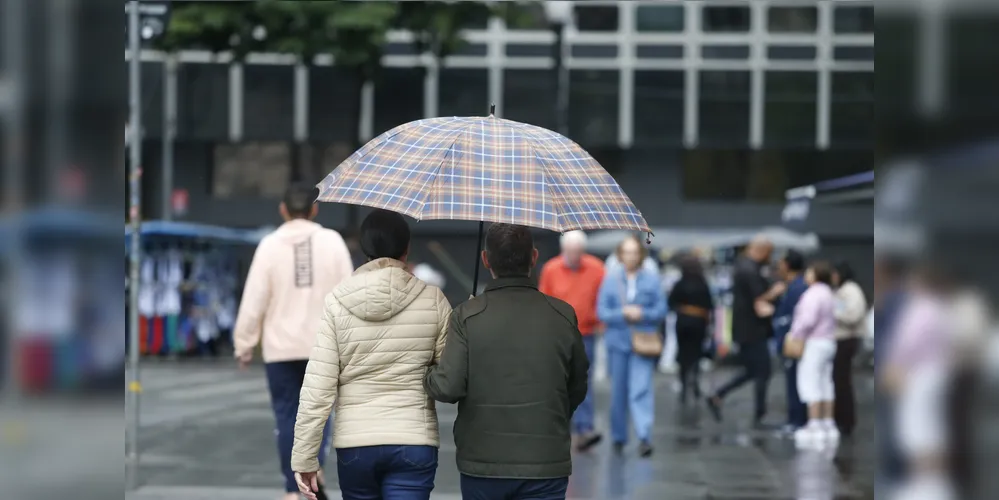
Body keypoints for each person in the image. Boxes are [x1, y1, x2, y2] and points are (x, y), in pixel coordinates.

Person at [290, 209, 452, 500]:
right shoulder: (434, 300)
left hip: (356, 445)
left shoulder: (337, 301)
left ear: (365, 249)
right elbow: (450, 377)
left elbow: (318, 387)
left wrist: (305, 457)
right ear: (407, 248)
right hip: (414, 441)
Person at [424, 223, 588, 500]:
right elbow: (577, 385)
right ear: (534, 257)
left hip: (482, 461)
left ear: (486, 259)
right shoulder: (562, 315)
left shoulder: (467, 315)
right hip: (546, 460)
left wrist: (427, 371)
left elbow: (448, 387)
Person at [232, 183, 354, 500]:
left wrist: (244, 343)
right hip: (324, 346)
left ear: (282, 210)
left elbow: (254, 300)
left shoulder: (269, 246)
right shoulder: (333, 242)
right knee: (320, 414)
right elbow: (350, 296)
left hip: (281, 348)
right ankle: (314, 474)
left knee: (287, 416)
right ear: (315, 210)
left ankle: (291, 489)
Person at [597, 235, 667, 457]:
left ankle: (644, 436)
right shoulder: (611, 280)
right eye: (626, 252)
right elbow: (602, 312)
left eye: (634, 252)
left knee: (641, 388)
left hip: (643, 342)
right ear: (620, 255)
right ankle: (618, 436)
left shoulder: (652, 280)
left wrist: (642, 313)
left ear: (641, 255)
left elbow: (661, 310)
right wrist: (623, 313)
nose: (631, 257)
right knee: (618, 392)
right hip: (618, 342)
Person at [706, 236, 785, 426]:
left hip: (747, 329)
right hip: (752, 330)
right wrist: (775, 292)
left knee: (753, 370)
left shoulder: (744, 267)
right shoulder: (749, 270)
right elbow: (759, 300)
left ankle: (719, 395)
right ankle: (759, 412)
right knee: (762, 371)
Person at [538, 230, 606, 452]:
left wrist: (598, 320)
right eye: (570, 251)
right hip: (558, 334)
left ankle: (584, 429)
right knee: (557, 381)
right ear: (563, 250)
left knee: (582, 382)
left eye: (577, 252)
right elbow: (544, 299)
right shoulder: (551, 269)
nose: (574, 256)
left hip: (585, 333)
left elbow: (602, 299)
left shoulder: (596, 269)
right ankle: (558, 428)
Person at [787, 261, 839, 446]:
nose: (806, 276)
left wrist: (795, 334)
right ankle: (828, 423)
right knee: (826, 382)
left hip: (813, 342)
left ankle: (814, 424)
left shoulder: (812, 294)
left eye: (809, 272)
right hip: (829, 341)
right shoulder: (830, 294)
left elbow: (807, 320)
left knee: (810, 382)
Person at [667, 254, 714, 404]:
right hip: (699, 322)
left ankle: (683, 381)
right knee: (696, 352)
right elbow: (710, 304)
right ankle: (694, 379)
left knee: (682, 352)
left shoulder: (679, 283)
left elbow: (671, 302)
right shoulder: (703, 283)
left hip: (682, 321)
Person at [772, 250, 809, 432]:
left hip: (793, 342)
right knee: (792, 380)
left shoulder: (798, 287)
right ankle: (794, 419)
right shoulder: (791, 286)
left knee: (795, 381)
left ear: (787, 265)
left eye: (780, 264)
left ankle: (797, 420)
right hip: (788, 340)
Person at [831, 260, 868, 437]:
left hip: (847, 339)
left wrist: (832, 312)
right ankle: (840, 418)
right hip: (840, 338)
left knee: (842, 381)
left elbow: (853, 314)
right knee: (839, 380)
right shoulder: (840, 291)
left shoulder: (851, 291)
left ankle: (846, 421)